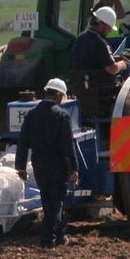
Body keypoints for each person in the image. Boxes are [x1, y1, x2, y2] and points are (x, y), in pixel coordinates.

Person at [16, 78, 79, 249]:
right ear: (58, 95)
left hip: (39, 165)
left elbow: (22, 142)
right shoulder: (62, 116)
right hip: (57, 166)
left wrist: (20, 166)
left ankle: (61, 236)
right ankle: (48, 240)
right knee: (56, 203)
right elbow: (67, 147)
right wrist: (73, 169)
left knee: (47, 201)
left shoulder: (31, 114)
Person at [70, 6, 128, 121]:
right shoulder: (100, 42)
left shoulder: (80, 38)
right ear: (102, 24)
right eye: (109, 27)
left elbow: (90, 61)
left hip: (81, 91)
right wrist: (122, 64)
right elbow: (111, 69)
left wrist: (113, 58)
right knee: (127, 101)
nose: (110, 30)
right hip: (100, 94)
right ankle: (123, 137)